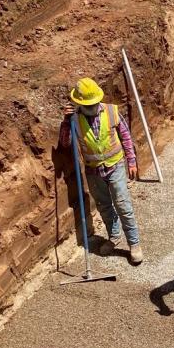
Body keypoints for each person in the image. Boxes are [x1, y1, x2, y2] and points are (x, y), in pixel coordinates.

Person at [59, 77, 143, 264]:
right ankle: (114, 237)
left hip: (115, 166)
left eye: (94, 103)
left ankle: (134, 244)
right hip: (93, 171)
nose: (92, 107)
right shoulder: (73, 119)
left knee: (123, 205)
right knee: (104, 206)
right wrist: (66, 121)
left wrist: (131, 161)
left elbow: (126, 136)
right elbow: (66, 144)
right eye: (88, 104)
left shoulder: (111, 111)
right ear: (78, 102)